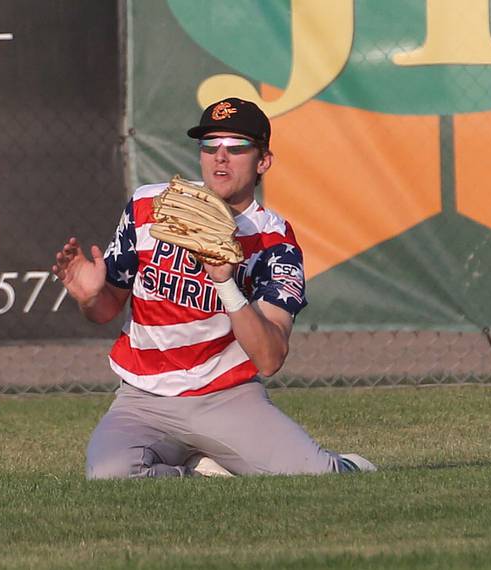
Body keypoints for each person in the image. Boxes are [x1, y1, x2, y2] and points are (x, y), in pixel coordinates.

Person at [52, 97, 376, 478]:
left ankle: (347, 465)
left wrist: (226, 283)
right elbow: (106, 311)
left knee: (313, 475)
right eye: (210, 145)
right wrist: (91, 297)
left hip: (226, 397)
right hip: (144, 399)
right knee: (108, 477)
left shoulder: (273, 241)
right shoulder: (151, 206)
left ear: (263, 161)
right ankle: (200, 472)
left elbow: (270, 358)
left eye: (237, 147)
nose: (220, 157)